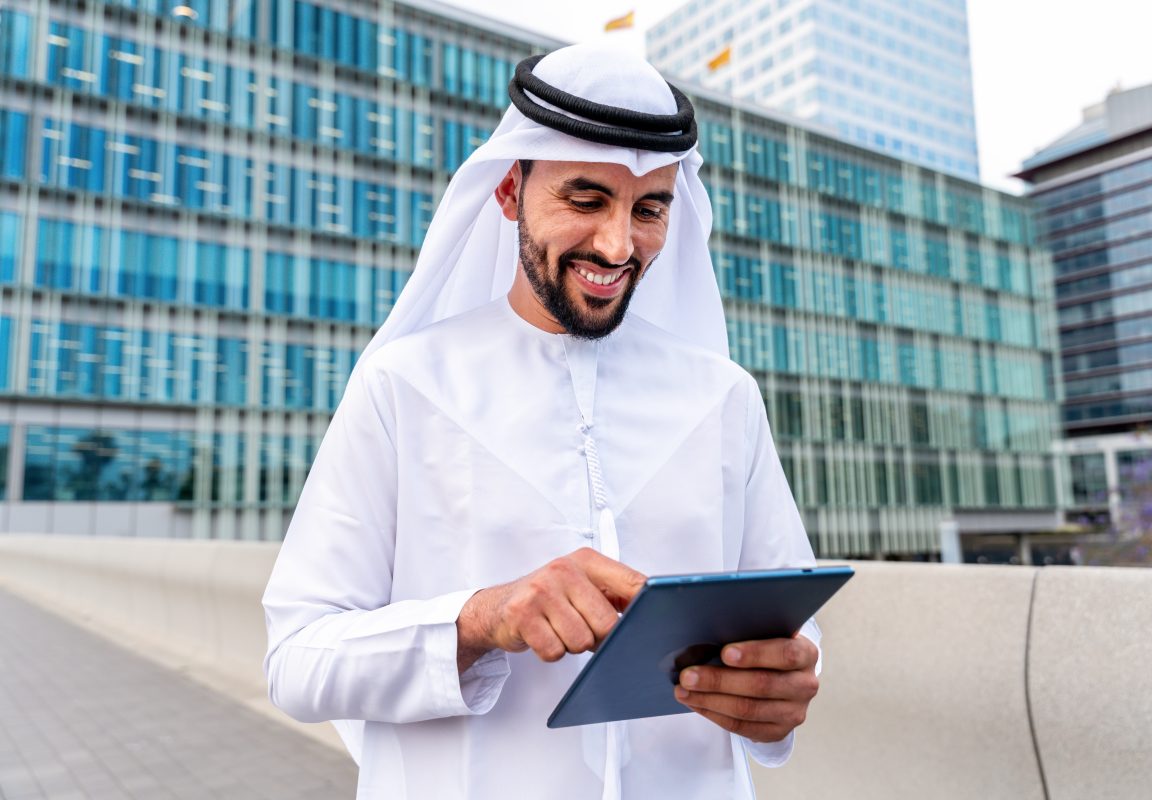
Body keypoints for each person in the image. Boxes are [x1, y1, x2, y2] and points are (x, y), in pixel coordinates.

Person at [262, 42, 822, 800]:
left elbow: (790, 633)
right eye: (586, 200)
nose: (619, 245)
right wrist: (481, 619)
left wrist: (777, 694)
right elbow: (296, 659)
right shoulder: (404, 385)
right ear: (507, 193)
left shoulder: (723, 397)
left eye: (649, 208)